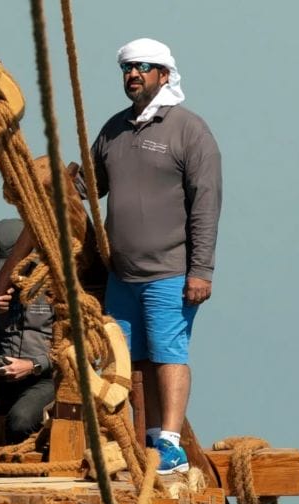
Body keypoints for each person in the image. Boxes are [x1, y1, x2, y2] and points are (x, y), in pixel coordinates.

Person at [86, 38, 222, 474]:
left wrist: (201, 270)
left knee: (168, 354)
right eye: (127, 68)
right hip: (121, 274)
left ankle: (170, 442)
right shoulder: (112, 131)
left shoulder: (188, 129)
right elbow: (89, 188)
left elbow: (206, 202)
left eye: (143, 68)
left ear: (164, 74)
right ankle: (141, 439)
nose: (133, 75)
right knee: (127, 361)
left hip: (169, 270)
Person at [0, 219, 55, 444]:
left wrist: (33, 365)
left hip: (43, 378)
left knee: (21, 421)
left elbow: (74, 348)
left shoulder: (56, 288)